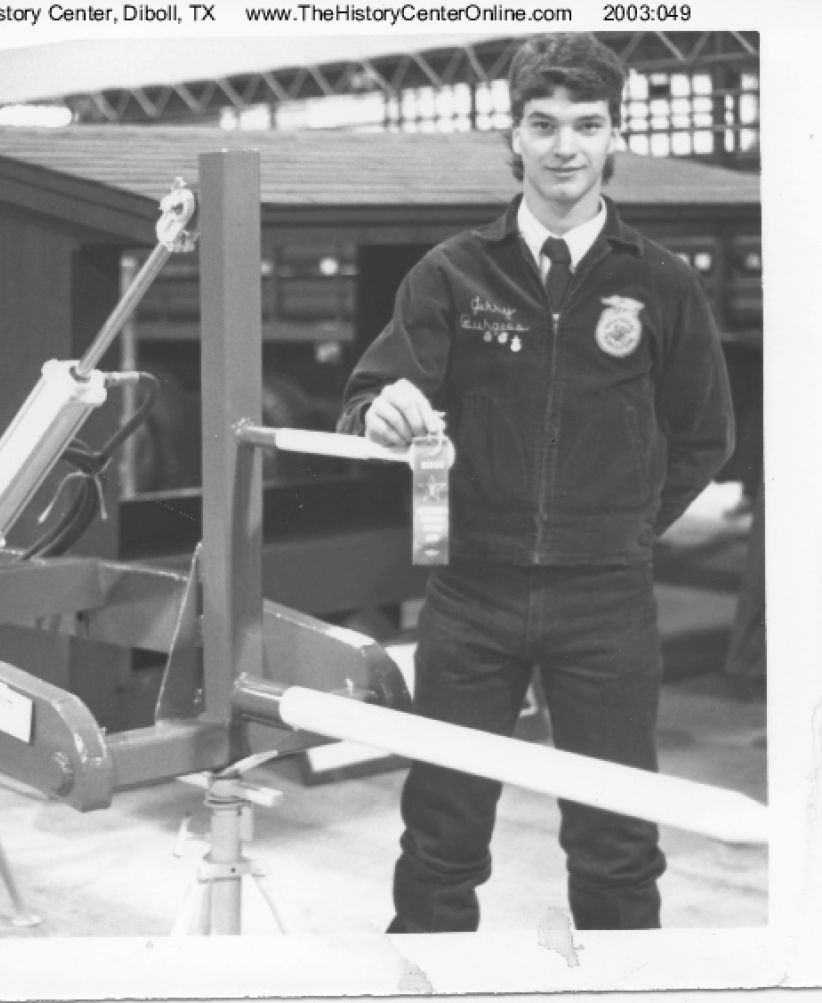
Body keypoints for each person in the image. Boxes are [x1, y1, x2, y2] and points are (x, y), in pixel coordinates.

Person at [337, 32, 734, 932]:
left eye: (586, 125)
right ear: (511, 136)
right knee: (440, 839)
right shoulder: (451, 273)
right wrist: (382, 412)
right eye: (543, 124)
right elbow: (363, 398)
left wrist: (623, 531)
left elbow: (707, 436)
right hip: (471, 593)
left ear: (612, 137)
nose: (565, 146)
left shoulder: (662, 282)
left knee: (618, 844)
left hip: (607, 602)